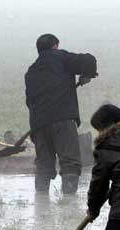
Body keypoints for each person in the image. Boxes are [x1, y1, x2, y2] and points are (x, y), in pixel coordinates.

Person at [25, 33, 97, 194]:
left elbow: (29, 101)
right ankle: (68, 206)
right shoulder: (61, 57)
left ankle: (41, 203)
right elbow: (89, 60)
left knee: (44, 163)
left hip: (38, 124)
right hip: (62, 120)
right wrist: (87, 75)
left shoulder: (31, 72)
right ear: (55, 46)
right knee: (70, 161)